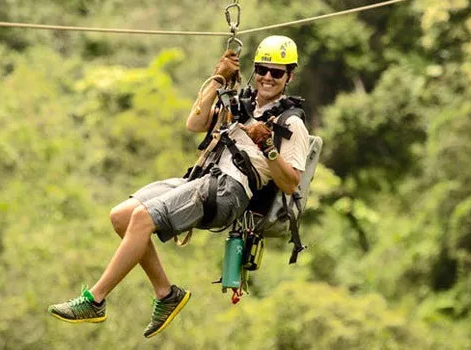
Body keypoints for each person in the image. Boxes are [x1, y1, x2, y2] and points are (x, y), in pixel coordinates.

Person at [47, 35, 311, 338]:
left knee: (142, 219)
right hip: (203, 177)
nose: (267, 77)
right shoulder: (243, 103)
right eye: (262, 69)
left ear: (289, 76)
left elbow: (291, 184)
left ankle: (95, 300)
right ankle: (166, 293)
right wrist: (217, 80)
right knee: (122, 216)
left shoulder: (292, 124)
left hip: (230, 191)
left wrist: (267, 147)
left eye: (276, 73)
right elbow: (195, 124)